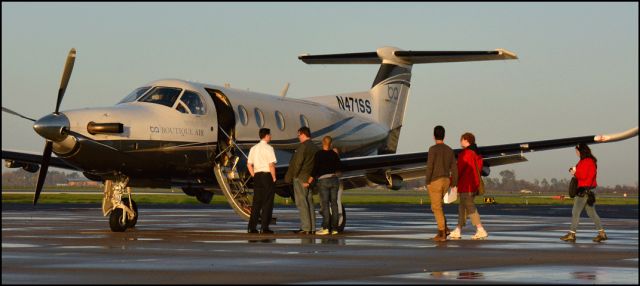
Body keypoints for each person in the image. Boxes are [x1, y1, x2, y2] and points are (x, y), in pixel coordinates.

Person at [560, 143, 607, 243]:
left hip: (584, 190)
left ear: (581, 151)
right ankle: (602, 233)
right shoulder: (589, 161)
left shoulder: (586, 161)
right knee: (591, 213)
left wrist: (574, 172)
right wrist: (576, 170)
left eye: (577, 150)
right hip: (590, 190)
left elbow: (584, 176)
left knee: (575, 212)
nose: (576, 152)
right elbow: (586, 174)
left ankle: (572, 234)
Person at [449, 132, 487, 240]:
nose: (460, 141)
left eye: (461, 139)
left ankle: (480, 229)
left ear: (466, 140)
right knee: (462, 207)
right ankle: (458, 229)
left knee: (470, 207)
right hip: (473, 184)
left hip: (467, 185)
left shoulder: (466, 154)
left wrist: (451, 180)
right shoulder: (477, 154)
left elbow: (458, 170)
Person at [424, 125, 458, 242]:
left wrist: (427, 181)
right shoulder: (449, 150)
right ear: (444, 135)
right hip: (446, 180)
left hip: (435, 181)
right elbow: (454, 167)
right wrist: (454, 182)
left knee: (436, 207)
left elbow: (430, 167)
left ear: (434, 136)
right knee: (437, 205)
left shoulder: (432, 149)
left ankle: (441, 233)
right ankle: (446, 228)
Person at [285, 126, 319, 234]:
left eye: (299, 135)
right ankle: (312, 227)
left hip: (300, 177)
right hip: (310, 178)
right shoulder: (315, 147)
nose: (298, 137)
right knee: (309, 202)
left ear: (303, 134)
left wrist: (294, 176)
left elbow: (298, 163)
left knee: (302, 203)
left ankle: (305, 228)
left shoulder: (302, 147)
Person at [307, 136, 342, 235]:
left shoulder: (319, 154)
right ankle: (335, 229)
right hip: (334, 180)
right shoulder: (334, 154)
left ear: (323, 142)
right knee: (334, 204)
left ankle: (326, 228)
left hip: (323, 181)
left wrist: (309, 181)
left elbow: (315, 169)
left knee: (325, 204)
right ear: (331, 143)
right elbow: (339, 167)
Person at [246, 128, 277, 234]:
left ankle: (252, 227)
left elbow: (249, 164)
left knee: (256, 203)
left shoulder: (253, 148)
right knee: (267, 202)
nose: (271, 136)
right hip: (267, 175)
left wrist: (254, 175)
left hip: (257, 176)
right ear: (266, 136)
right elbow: (271, 164)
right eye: (270, 135)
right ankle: (264, 227)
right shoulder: (269, 148)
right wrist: (273, 177)